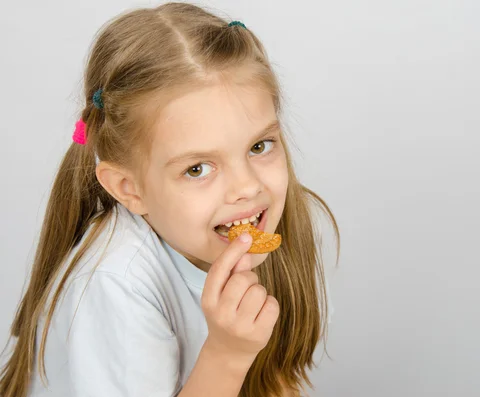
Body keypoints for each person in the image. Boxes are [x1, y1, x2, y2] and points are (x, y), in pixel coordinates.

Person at [0, 3, 339, 396]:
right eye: (197, 168)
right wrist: (227, 355)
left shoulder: (277, 222)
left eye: (260, 146)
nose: (247, 188)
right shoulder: (115, 284)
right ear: (130, 189)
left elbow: (276, 383)